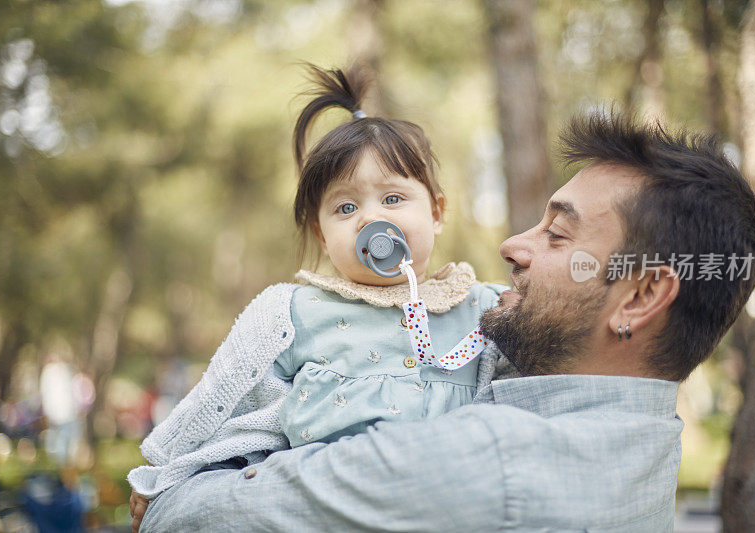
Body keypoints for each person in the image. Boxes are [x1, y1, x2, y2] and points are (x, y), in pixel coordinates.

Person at [134, 112, 755, 532]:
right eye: (345, 207)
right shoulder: (648, 445)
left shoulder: (483, 462)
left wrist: (163, 489)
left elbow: (173, 518)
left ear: (641, 297)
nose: (511, 247)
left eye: (555, 234)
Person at [127, 65, 503, 507]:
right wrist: (163, 472)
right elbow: (220, 398)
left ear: (436, 213)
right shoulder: (292, 312)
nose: (370, 218)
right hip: (322, 507)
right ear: (323, 235)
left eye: (393, 198)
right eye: (345, 207)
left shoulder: (485, 310)